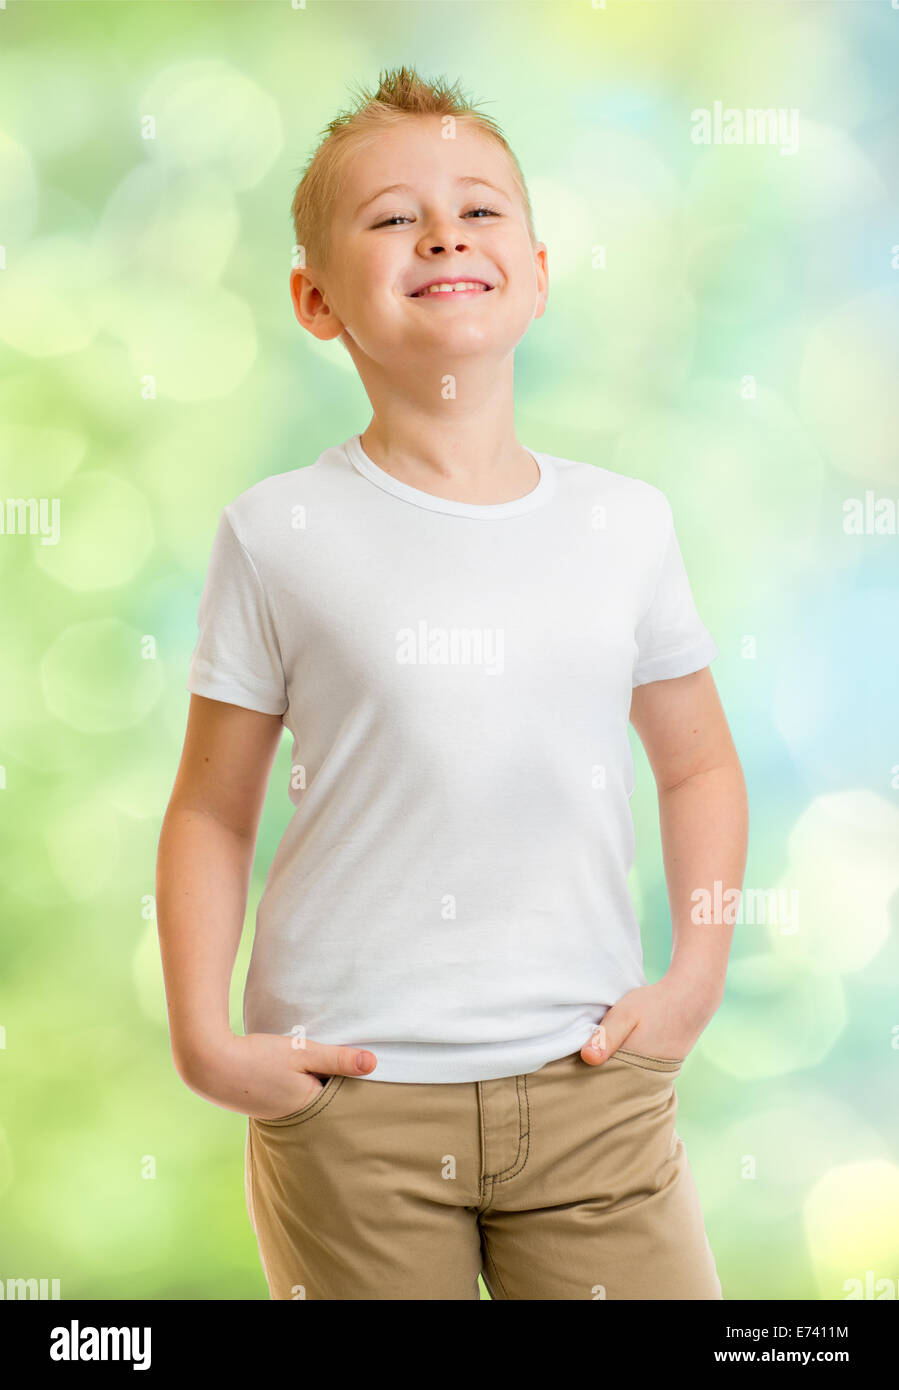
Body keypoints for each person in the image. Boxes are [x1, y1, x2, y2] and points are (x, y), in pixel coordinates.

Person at [156, 65, 748, 1301]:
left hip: (593, 1091)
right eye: (390, 217)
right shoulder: (278, 533)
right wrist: (207, 1040)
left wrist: (692, 978)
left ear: (534, 271)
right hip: (352, 1111)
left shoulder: (623, 525)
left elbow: (694, 761)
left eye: (478, 210)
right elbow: (212, 806)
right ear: (317, 301)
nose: (441, 232)